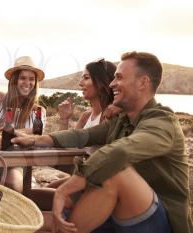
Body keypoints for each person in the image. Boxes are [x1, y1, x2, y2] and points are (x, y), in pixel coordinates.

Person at [12, 52, 192, 233]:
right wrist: (35, 139)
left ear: (142, 82)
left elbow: (120, 152)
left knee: (117, 171)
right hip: (117, 211)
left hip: (160, 221)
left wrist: (68, 187)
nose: (112, 83)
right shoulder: (122, 120)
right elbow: (83, 135)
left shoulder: (163, 121)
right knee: (33, 223)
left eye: (119, 78)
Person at [0, 56, 46, 193]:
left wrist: (13, 131)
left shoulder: (39, 111)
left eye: (31, 79)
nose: (27, 82)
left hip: (17, 162)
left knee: (12, 183)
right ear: (14, 81)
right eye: (23, 78)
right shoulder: (0, 98)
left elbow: (37, 139)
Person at [49, 59, 118, 187]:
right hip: (80, 176)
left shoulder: (110, 116)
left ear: (102, 81)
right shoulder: (86, 116)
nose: (80, 84)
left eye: (86, 78)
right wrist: (64, 119)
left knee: (41, 192)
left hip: (97, 183)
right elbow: (66, 150)